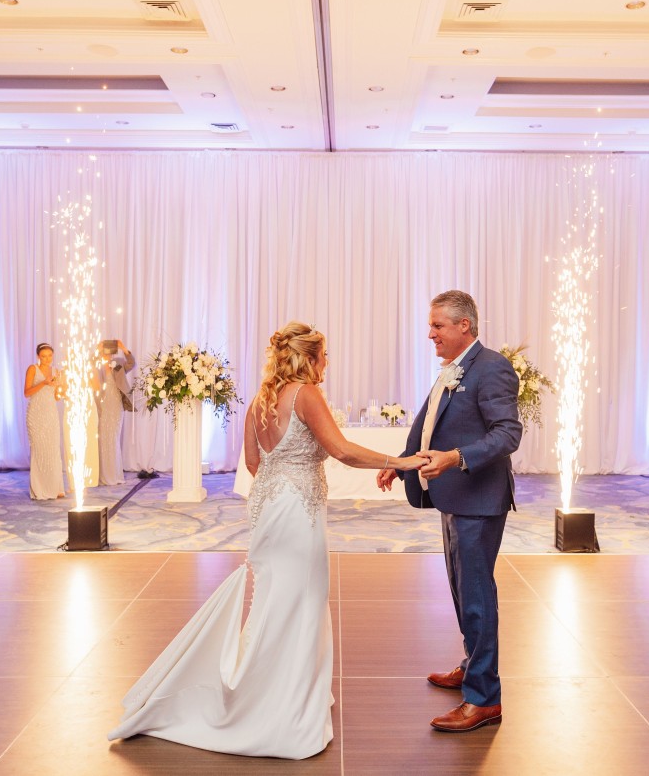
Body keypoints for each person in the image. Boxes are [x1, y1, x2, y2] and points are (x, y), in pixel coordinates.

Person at [109, 322, 428, 759]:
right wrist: (401, 460)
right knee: (301, 601)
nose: (327, 363)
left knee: (275, 600)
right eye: (324, 356)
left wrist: (285, 484)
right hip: (298, 513)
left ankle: (269, 689)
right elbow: (341, 450)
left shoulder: (259, 401)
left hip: (269, 509)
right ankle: (281, 702)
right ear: (308, 358)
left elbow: (255, 463)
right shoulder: (305, 394)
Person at [377, 290, 522, 733]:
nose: (431, 333)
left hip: (478, 500)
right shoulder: (454, 370)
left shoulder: (492, 366)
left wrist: (456, 457)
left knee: (477, 597)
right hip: (454, 498)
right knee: (462, 592)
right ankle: (472, 665)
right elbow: (428, 422)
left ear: (465, 326)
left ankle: (484, 699)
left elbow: (508, 433)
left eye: (438, 325)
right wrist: (401, 464)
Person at [25, 343, 65, 500]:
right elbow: (26, 392)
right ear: (38, 356)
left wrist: (61, 388)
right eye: (43, 356)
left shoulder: (57, 372)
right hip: (35, 413)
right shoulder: (32, 369)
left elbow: (57, 397)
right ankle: (39, 488)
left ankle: (55, 487)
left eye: (49, 355)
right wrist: (44, 382)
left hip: (51, 414)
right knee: (39, 450)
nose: (47, 359)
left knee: (53, 450)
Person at [97, 339, 135, 485]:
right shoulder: (97, 365)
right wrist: (96, 348)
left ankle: (113, 474)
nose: (107, 354)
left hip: (116, 403)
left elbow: (132, 363)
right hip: (101, 403)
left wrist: (123, 348)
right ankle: (103, 474)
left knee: (113, 437)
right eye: (104, 351)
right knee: (102, 437)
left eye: (109, 351)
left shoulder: (118, 363)